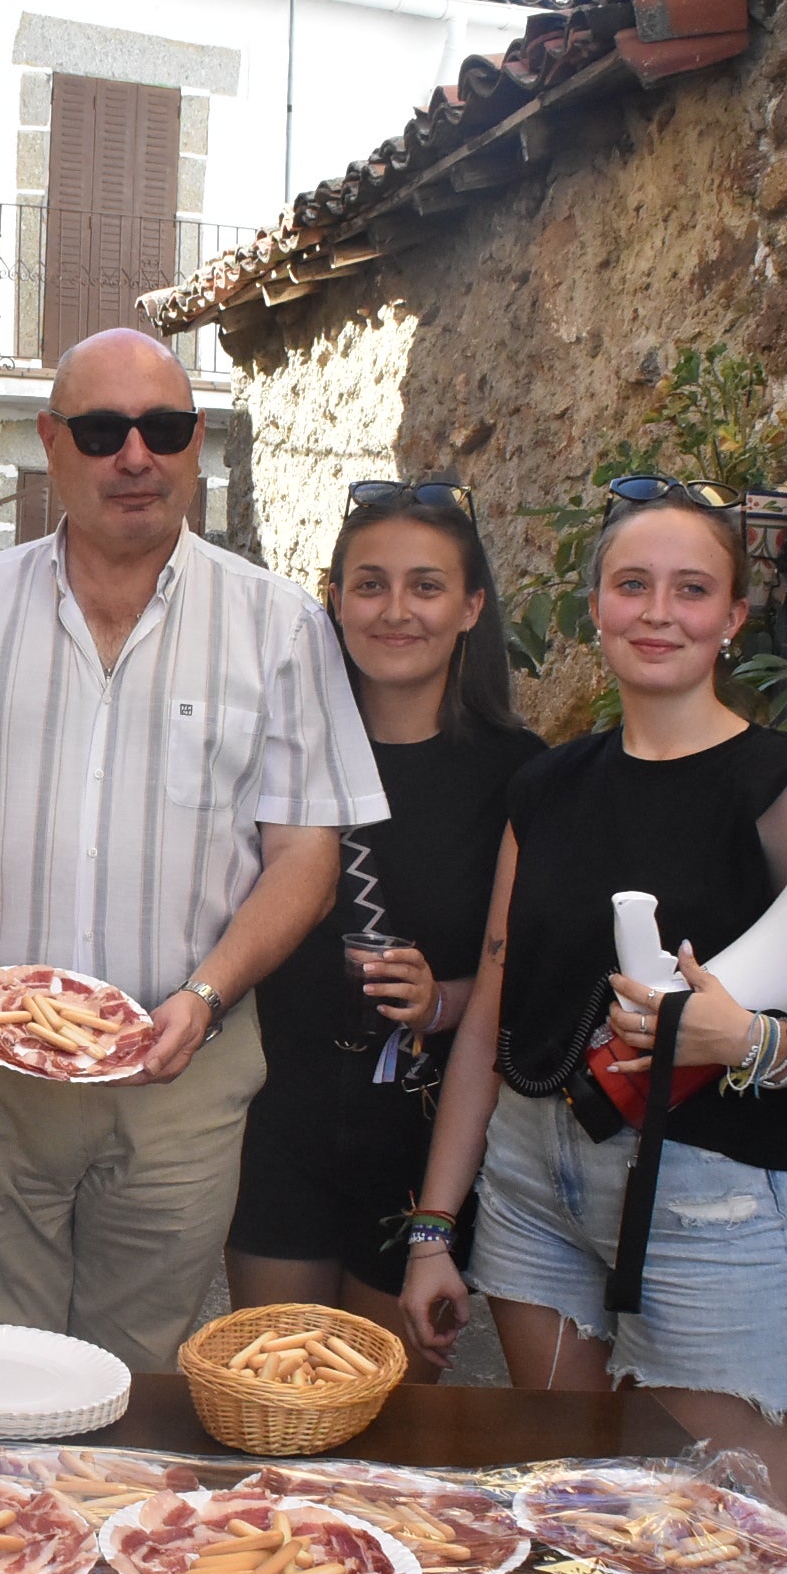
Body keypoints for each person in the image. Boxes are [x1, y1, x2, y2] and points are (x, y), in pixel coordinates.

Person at [398, 480, 787, 1574]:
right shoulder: (549, 785)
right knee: (572, 1503)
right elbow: (489, 1003)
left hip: (724, 1192)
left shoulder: (786, 787)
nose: (658, 614)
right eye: (632, 586)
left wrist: (749, 1041)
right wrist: (439, 1224)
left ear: (735, 615)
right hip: (542, 1179)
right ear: (595, 606)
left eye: (690, 590)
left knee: (727, 1530)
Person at [0, 328, 386, 1374]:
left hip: (181, 1063)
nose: (134, 455)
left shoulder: (278, 626)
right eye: (101, 430)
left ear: (197, 446)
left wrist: (210, 993)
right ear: (51, 444)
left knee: (139, 1380)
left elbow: (304, 857)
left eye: (164, 428)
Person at [225, 482, 540, 1360]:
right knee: (274, 1388)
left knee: (384, 1423)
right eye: (369, 585)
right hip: (274, 1118)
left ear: (473, 606)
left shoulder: (521, 778)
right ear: (333, 599)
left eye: (427, 586)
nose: (395, 611)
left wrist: (443, 999)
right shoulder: (276, 747)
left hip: (421, 1133)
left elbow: (537, 981)